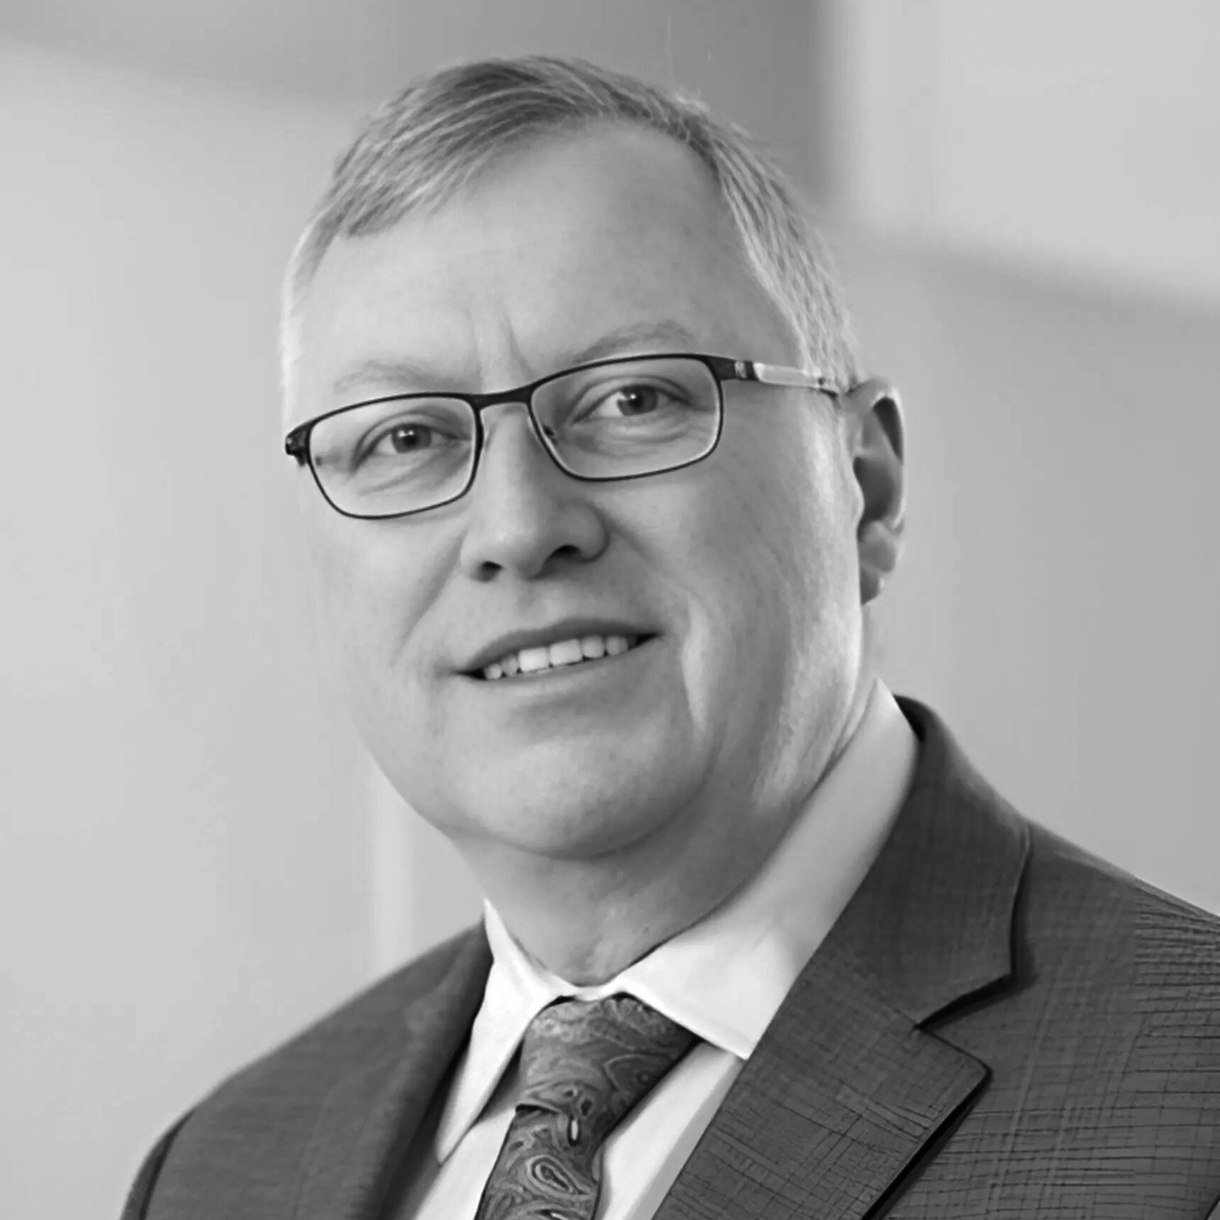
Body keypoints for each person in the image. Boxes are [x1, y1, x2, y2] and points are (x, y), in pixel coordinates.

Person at [121, 55, 1220, 1219]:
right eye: (404, 438)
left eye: (632, 398)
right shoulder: (219, 1167)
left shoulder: (1187, 1106)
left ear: (867, 483)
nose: (517, 527)